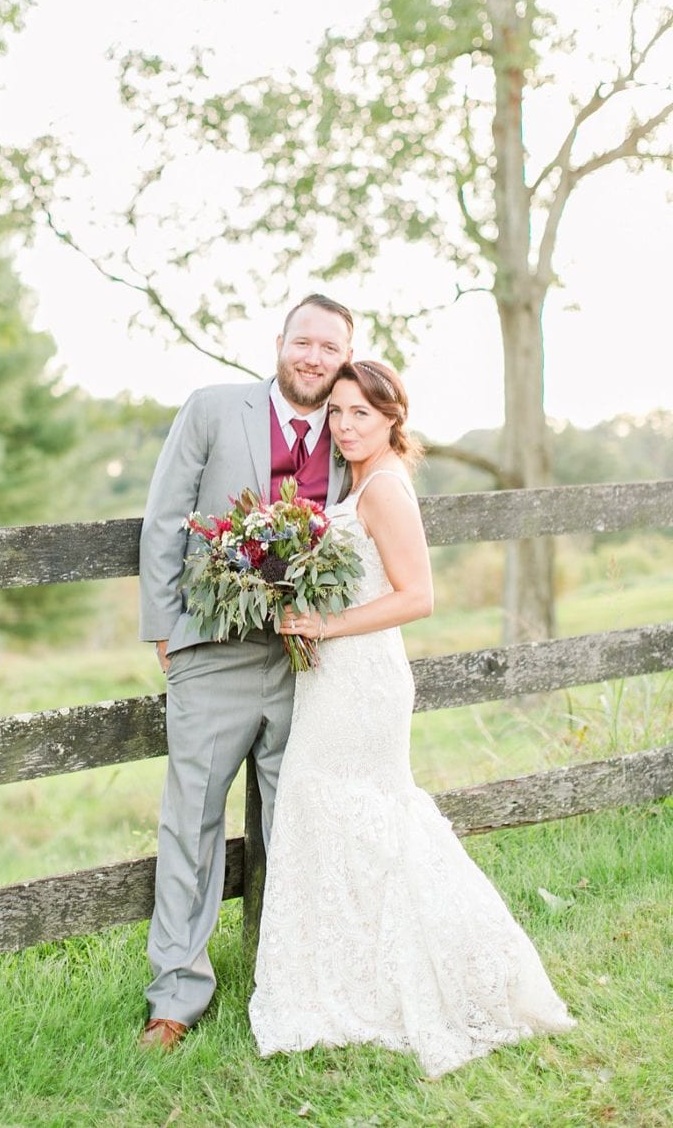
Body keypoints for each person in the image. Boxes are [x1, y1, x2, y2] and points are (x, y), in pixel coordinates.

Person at [251, 360, 574, 1077]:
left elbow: (418, 595)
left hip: (361, 682)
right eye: (336, 412)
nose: (344, 425)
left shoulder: (387, 486)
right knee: (338, 816)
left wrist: (325, 625)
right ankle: (358, 973)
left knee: (367, 814)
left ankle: (434, 972)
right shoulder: (359, 480)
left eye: (361, 413)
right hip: (335, 678)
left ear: (394, 417)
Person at [136, 294, 354, 1050]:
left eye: (330, 347)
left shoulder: (352, 436)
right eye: (304, 341)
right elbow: (166, 516)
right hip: (212, 653)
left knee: (292, 822)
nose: (314, 357)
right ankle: (176, 996)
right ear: (280, 342)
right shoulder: (212, 408)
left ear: (343, 358)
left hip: (304, 663)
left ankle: (285, 976)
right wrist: (166, 630)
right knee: (190, 820)